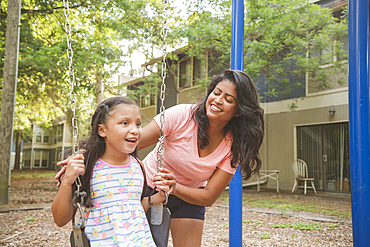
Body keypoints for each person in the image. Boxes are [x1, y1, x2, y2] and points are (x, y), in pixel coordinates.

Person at [56, 69, 264, 247]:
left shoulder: (234, 145)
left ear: (238, 111)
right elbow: (131, 142)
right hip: (148, 184)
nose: (218, 100)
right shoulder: (182, 115)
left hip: (190, 195)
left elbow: (209, 195)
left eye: (228, 99)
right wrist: (86, 156)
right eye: (216, 93)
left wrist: (174, 188)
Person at [51, 96, 175, 247]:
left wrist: (157, 198)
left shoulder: (137, 166)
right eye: (125, 123)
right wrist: (67, 182)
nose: (135, 130)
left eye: (138, 124)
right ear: (102, 130)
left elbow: (133, 208)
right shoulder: (87, 166)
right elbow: (60, 219)